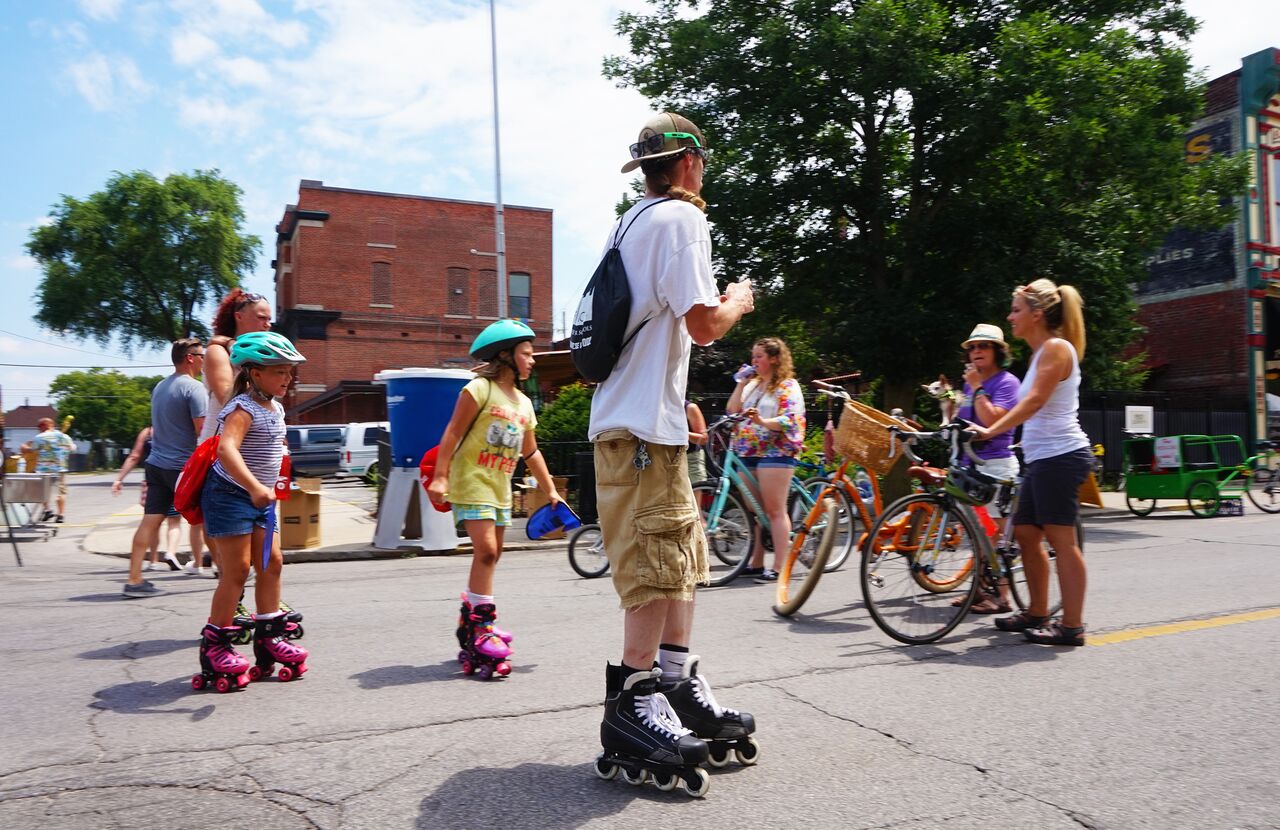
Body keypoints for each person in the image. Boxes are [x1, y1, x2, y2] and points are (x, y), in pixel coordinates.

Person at [589, 112, 755, 792]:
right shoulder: (682, 220)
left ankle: (675, 685)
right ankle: (634, 704)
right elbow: (704, 324)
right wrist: (739, 301)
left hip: (642, 425)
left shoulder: (630, 221)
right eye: (704, 163)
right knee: (659, 567)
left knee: (682, 560)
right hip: (640, 433)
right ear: (690, 163)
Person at [426, 319, 561, 680]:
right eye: (527, 354)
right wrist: (440, 476)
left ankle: (469, 620)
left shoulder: (524, 404)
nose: (532, 361)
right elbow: (453, 432)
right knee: (485, 551)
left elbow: (531, 453)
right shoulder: (478, 390)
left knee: (495, 554)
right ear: (505, 355)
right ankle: (482, 625)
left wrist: (550, 491)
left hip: (500, 488)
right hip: (472, 482)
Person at [969, 279, 1092, 646]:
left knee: (1061, 540)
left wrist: (992, 431)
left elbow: (1034, 402)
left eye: (1016, 310)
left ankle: (1072, 626)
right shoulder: (1040, 354)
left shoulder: (1056, 348)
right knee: (1025, 534)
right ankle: (1037, 611)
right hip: (1042, 458)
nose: (1010, 317)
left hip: (1062, 456)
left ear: (1037, 315)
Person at [195, 331, 309, 690]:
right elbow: (227, 450)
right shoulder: (241, 408)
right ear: (255, 374)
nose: (287, 378)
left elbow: (273, 448)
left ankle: (269, 635)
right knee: (237, 570)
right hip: (230, 495)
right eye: (280, 371)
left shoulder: (275, 407)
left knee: (272, 562)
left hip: (261, 498)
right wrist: (255, 486)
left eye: (290, 372)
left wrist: (276, 480)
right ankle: (216, 645)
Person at [195, 289, 273, 577]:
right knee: (219, 523)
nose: (267, 323)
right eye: (261, 317)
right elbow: (229, 397)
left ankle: (236, 581)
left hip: (252, 450)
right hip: (221, 449)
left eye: (270, 319)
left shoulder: (258, 353)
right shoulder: (218, 351)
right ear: (239, 317)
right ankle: (225, 574)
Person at [123, 339, 206, 598]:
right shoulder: (194, 388)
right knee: (208, 517)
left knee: (150, 521)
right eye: (201, 355)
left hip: (155, 465)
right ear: (190, 358)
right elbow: (202, 432)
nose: (205, 359)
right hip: (181, 467)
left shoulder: (160, 387)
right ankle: (228, 570)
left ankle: (134, 580)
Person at [726, 337, 806, 583]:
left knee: (774, 509)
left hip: (776, 451)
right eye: (753, 357)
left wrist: (762, 421)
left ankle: (781, 566)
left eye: (759, 356)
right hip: (748, 449)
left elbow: (789, 420)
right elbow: (732, 410)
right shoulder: (753, 386)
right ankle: (756, 562)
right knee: (755, 509)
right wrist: (740, 384)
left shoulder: (787, 385)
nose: (754, 361)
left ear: (773, 359)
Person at [952, 324, 1020, 614]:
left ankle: (1003, 597)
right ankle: (978, 592)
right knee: (979, 533)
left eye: (984, 346)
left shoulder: (1007, 383)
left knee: (997, 536)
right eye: (972, 347)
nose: (976, 351)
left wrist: (978, 387)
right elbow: (963, 418)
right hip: (972, 466)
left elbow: (992, 422)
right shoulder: (970, 384)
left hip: (997, 464)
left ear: (998, 351)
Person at [112, 426, 182, 572]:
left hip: (152, 481)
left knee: (152, 522)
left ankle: (153, 560)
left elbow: (134, 456)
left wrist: (119, 479)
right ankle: (171, 552)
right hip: (176, 475)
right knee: (174, 522)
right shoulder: (178, 428)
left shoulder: (148, 432)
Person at [22, 417, 75, 523]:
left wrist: (24, 446)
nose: (38, 428)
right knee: (61, 492)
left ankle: (47, 510)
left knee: (41, 491)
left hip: (43, 470)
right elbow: (73, 449)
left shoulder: (39, 437)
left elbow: (31, 450)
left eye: (40, 425)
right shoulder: (64, 436)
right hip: (60, 469)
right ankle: (60, 515)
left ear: (47, 424)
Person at [685, 400, 708, 483]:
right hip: (667, 459)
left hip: (691, 458)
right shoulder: (658, 408)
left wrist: (681, 433)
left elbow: (703, 438)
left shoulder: (690, 408)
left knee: (694, 494)